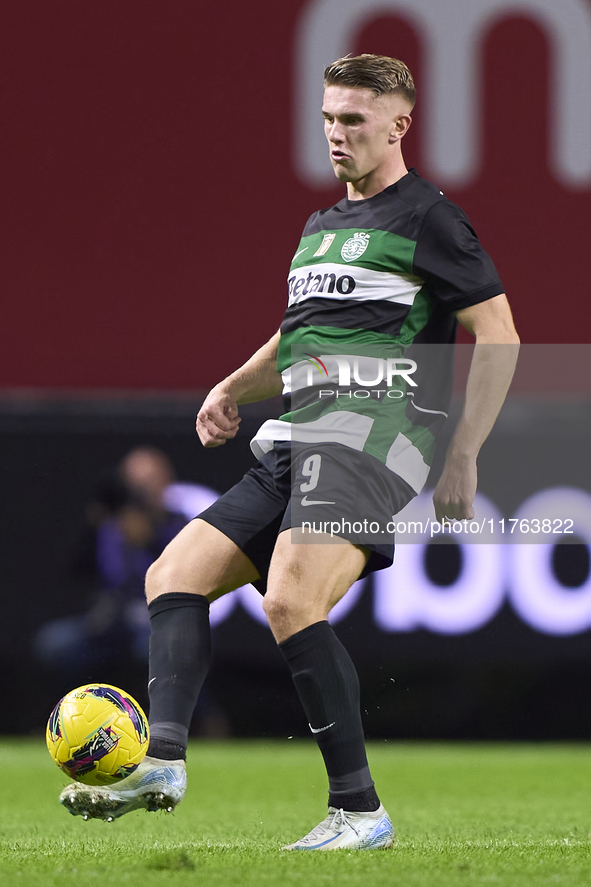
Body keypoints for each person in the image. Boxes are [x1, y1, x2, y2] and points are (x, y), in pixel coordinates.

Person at [60, 55, 519, 849]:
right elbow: (296, 337)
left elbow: (499, 333)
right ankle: (163, 760)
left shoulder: (428, 219)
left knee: (288, 600)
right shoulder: (321, 228)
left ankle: (359, 810)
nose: (335, 135)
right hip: (297, 437)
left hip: (373, 437)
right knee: (171, 577)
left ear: (397, 125)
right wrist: (232, 385)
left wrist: (462, 452)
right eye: (328, 118)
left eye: (353, 120)